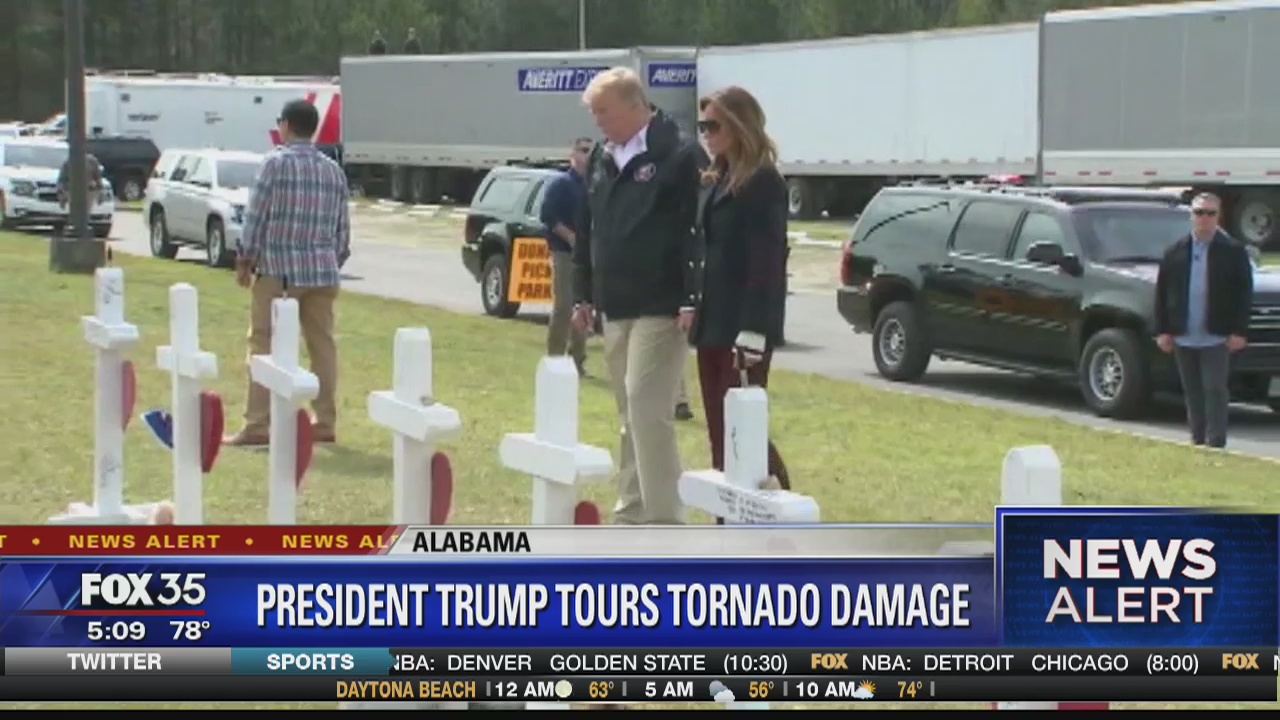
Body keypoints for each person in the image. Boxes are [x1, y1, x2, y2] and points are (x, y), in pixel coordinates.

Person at [572, 67, 702, 525]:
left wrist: (691, 296)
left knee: (648, 407)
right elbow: (589, 232)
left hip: (661, 303)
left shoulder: (679, 154)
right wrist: (582, 295)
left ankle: (666, 523)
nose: (598, 122)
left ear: (633, 104)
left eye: (603, 111)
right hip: (615, 303)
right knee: (630, 412)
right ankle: (632, 511)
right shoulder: (602, 162)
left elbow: (695, 229)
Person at [224, 99, 351, 447]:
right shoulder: (332, 171)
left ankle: (257, 424)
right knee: (322, 346)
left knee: (263, 342)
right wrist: (331, 261)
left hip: (280, 270)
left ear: (287, 126)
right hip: (322, 271)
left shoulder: (274, 164)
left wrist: (245, 258)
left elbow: (256, 215)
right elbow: (343, 230)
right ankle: (324, 420)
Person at [689, 86, 791, 490]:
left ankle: (779, 505)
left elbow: (767, 261)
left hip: (743, 329)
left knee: (742, 430)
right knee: (719, 429)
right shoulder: (718, 178)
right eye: (702, 126)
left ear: (739, 126)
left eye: (713, 125)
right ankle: (727, 524)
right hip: (713, 323)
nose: (706, 134)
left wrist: (755, 330)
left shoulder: (763, 182)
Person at [1155, 192, 1253, 449]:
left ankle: (1216, 442)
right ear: (1192, 215)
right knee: (1192, 391)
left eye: (1210, 213)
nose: (1204, 218)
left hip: (1217, 335)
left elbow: (1244, 294)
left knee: (1215, 388)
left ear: (1218, 216)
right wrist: (1163, 331)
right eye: (1199, 212)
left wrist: (1239, 331)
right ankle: (1197, 440)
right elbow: (1162, 292)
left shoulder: (1233, 251)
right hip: (1184, 333)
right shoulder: (1175, 251)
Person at [539, 137, 592, 376]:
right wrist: (570, 237)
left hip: (586, 256)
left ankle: (577, 360)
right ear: (573, 153)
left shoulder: (593, 184)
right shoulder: (561, 183)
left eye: (591, 151)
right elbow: (547, 216)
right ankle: (555, 358)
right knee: (563, 307)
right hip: (563, 252)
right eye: (583, 150)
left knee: (583, 307)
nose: (587, 155)